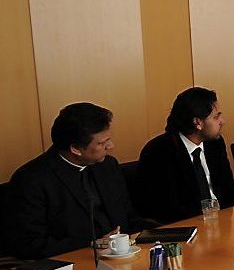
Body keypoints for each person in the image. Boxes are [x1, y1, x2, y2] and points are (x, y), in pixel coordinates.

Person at [3, 103, 152, 259]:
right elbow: (30, 244)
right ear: (75, 149)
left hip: (125, 256)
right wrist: (92, 243)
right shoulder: (31, 180)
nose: (111, 146)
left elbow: (128, 215)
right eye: (101, 143)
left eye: (109, 139)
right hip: (72, 262)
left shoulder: (108, 165)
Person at [137, 87, 234, 224]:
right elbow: (168, 209)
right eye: (216, 117)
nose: (222, 121)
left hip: (222, 223)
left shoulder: (214, 143)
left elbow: (229, 190)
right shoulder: (160, 151)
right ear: (197, 122)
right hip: (187, 229)